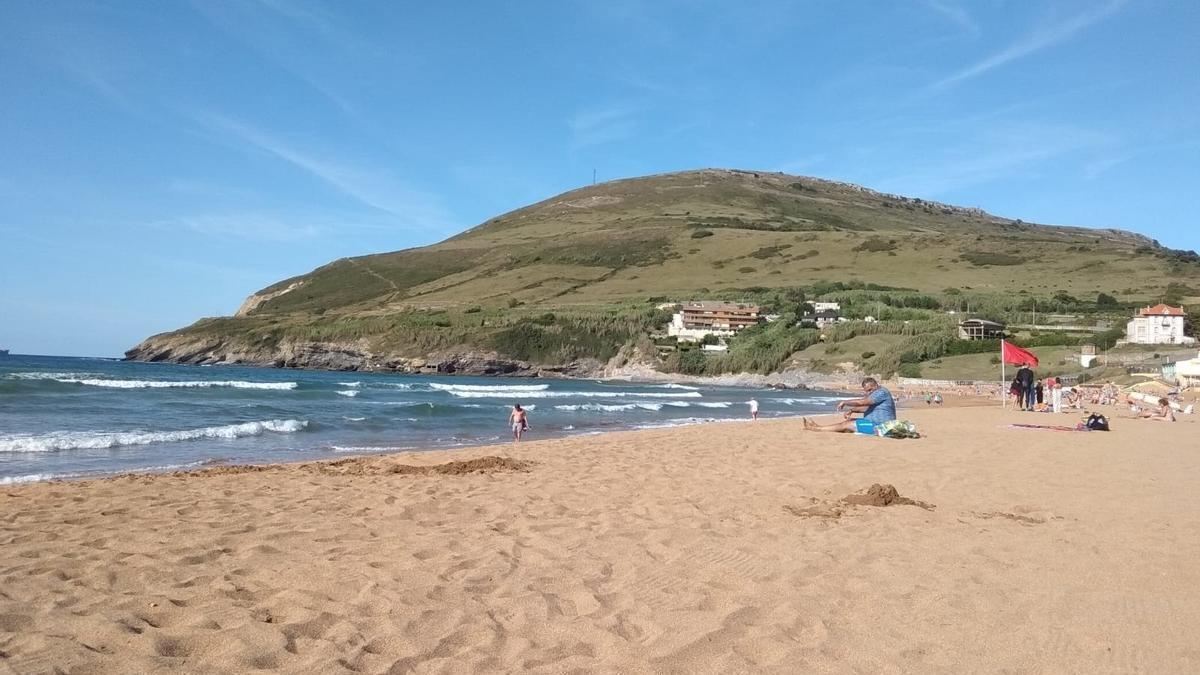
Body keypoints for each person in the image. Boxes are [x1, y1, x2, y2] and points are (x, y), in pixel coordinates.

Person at [803, 377, 896, 434]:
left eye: (870, 390)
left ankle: (817, 429)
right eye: (866, 391)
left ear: (876, 385)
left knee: (847, 424)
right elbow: (866, 408)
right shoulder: (876, 393)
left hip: (882, 426)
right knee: (850, 421)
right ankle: (820, 427)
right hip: (874, 422)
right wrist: (852, 410)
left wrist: (845, 402)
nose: (868, 392)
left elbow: (863, 402)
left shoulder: (881, 392)